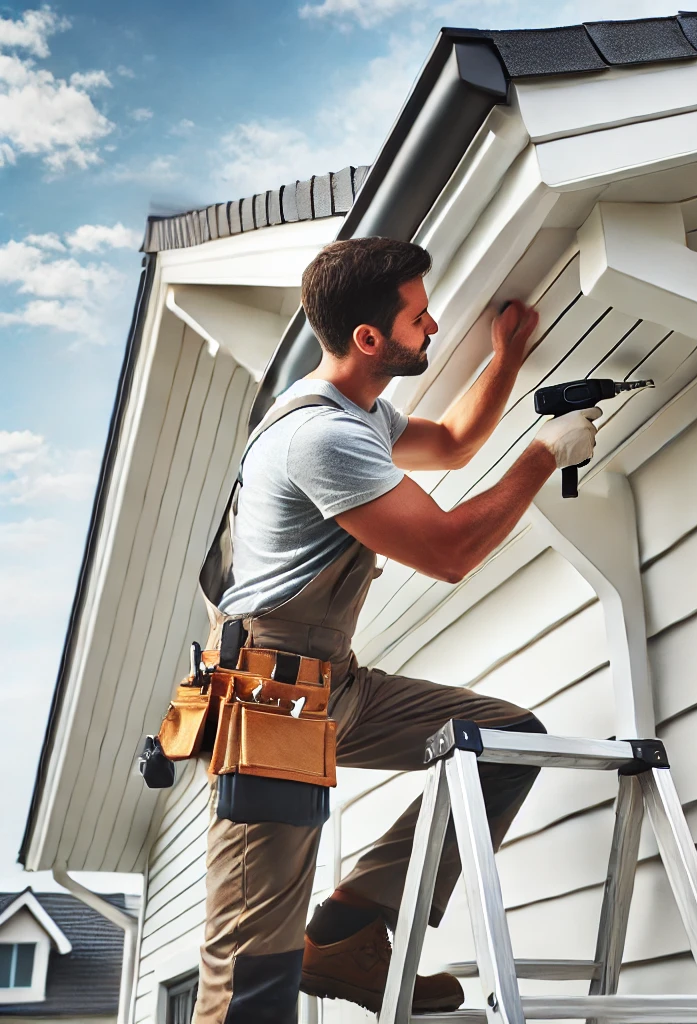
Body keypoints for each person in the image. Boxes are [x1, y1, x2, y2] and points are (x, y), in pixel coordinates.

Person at [192, 237, 601, 1024]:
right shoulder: (322, 437)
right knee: (252, 980)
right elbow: (449, 552)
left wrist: (507, 359)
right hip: (269, 704)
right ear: (370, 339)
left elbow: (450, 443)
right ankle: (295, 959)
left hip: (333, 683)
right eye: (419, 317)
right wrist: (545, 454)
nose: (435, 324)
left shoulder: (364, 414)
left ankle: (346, 930)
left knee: (506, 743)